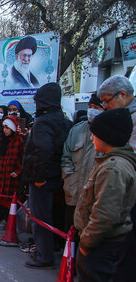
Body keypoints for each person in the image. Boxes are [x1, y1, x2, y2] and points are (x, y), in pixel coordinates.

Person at [57, 108, 136, 282]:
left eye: (95, 135)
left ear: (108, 137)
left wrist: (87, 241)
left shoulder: (114, 167)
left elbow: (106, 214)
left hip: (102, 241)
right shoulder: (109, 162)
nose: (92, 139)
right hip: (97, 238)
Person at [97, 75, 136, 282]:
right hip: (121, 187)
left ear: (123, 95)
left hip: (126, 189)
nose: (105, 106)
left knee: (127, 247)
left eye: (107, 100)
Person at [21, 82, 71, 269]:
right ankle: (55, 248)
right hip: (59, 176)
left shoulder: (44, 122)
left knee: (41, 218)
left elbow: (43, 151)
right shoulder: (64, 121)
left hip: (44, 178)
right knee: (56, 215)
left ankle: (44, 256)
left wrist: (39, 177)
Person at [61, 94, 104, 232]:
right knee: (71, 232)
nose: (92, 110)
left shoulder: (109, 134)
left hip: (94, 198)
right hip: (73, 193)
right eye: (90, 107)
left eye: (96, 108)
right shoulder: (77, 130)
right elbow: (66, 157)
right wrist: (69, 179)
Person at [0, 116, 25, 230]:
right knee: (1, 198)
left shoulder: (20, 141)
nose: (5, 130)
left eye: (7, 128)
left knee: (10, 199)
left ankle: (9, 221)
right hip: (2, 173)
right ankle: (2, 219)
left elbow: (23, 159)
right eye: (4, 127)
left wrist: (17, 171)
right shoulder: (2, 140)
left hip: (12, 175)